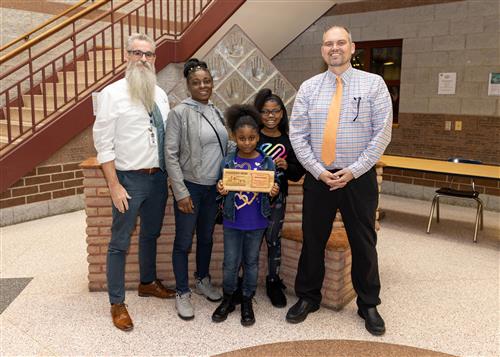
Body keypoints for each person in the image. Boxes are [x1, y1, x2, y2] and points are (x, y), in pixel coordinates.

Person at [287, 25, 392, 336]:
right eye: (329, 44)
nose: (335, 48)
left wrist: (355, 170)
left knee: (364, 242)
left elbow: (382, 133)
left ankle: (369, 303)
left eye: (340, 43)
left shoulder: (374, 84)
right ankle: (308, 297)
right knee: (313, 238)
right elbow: (298, 135)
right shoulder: (308, 88)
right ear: (322, 50)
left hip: (357, 178)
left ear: (352, 47)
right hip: (319, 177)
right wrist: (318, 170)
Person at [93, 33, 175, 332]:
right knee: (119, 243)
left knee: (150, 234)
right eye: (137, 53)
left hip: (157, 179)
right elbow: (103, 145)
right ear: (126, 56)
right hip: (128, 180)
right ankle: (117, 302)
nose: (143, 59)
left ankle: (147, 282)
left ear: (155, 59)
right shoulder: (111, 95)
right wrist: (114, 185)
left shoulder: (161, 94)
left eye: (149, 54)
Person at [165, 58, 229, 320]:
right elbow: (170, 154)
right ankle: (182, 292)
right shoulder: (180, 113)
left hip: (214, 189)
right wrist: (181, 193)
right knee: (183, 242)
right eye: (196, 82)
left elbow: (225, 145)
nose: (203, 85)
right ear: (188, 85)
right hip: (191, 187)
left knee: (205, 238)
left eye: (207, 81)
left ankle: (202, 280)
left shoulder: (216, 110)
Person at [211, 104, 280, 326]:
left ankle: (247, 299)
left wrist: (272, 192)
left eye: (251, 138)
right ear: (234, 137)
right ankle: (229, 297)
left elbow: (273, 188)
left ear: (258, 137)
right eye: (242, 138)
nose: (247, 142)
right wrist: (221, 189)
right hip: (233, 221)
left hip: (257, 222)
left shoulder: (266, 162)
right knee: (230, 263)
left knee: (251, 262)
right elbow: (221, 188)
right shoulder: (228, 161)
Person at [254, 89, 305, 308]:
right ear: (259, 114)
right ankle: (244, 282)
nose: (270, 116)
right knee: (251, 241)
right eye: (265, 112)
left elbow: (297, 172)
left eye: (275, 111)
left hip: (278, 200)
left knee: (274, 240)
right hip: (252, 200)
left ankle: (273, 281)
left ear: (282, 114)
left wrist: (288, 165)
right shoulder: (252, 136)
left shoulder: (288, 140)